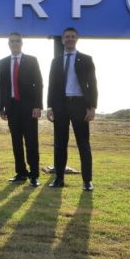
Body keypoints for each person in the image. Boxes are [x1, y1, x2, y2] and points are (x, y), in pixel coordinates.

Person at [47, 27, 98, 191]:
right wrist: (50, 107)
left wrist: (92, 107)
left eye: (72, 37)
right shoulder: (56, 61)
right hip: (60, 105)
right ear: (62, 40)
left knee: (83, 144)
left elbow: (93, 84)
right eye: (66, 37)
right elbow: (52, 86)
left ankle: (87, 181)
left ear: (77, 39)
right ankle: (59, 179)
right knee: (60, 144)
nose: (69, 39)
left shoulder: (86, 59)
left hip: (79, 105)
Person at [0, 32, 44, 187]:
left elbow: (39, 83)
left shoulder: (31, 60)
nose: (15, 43)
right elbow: (2, 86)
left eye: (17, 41)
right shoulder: (3, 62)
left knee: (31, 141)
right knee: (16, 141)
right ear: (8, 44)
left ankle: (34, 174)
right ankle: (21, 173)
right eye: (12, 41)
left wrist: (38, 106)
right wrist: (0, 107)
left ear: (21, 43)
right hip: (12, 107)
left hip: (29, 107)